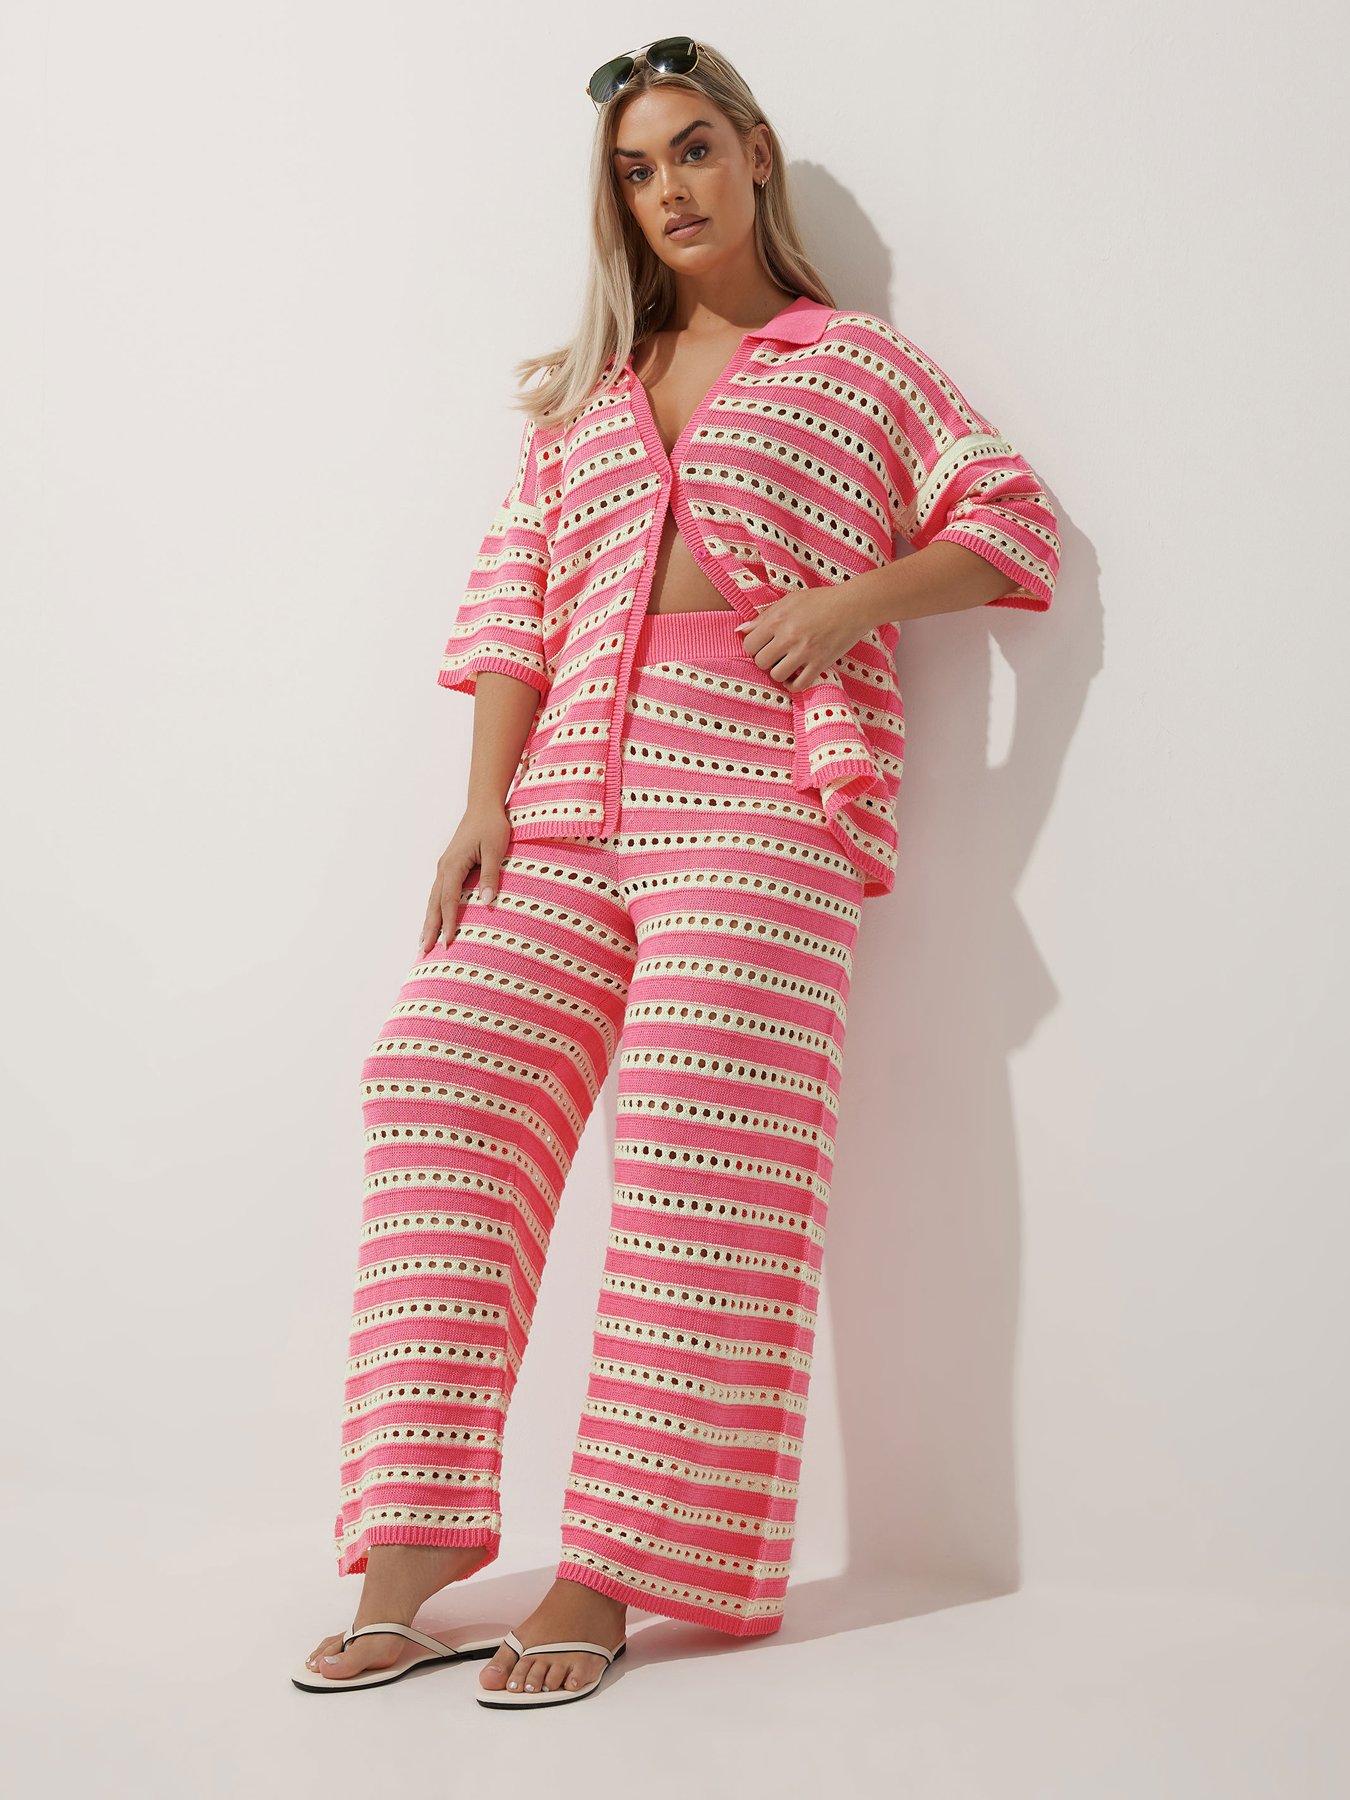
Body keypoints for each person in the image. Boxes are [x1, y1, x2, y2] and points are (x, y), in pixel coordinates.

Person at [294, 36, 1060, 1710]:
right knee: (435, 1074)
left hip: (764, 794)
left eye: (693, 149)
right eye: (638, 171)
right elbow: (516, 602)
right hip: (567, 792)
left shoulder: (855, 364)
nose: (670, 190)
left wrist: (848, 605)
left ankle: (617, 1566)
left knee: (698, 1157)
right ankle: (410, 1544)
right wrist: (481, 805)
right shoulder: (589, 393)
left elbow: (1005, 520)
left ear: (755, 153)